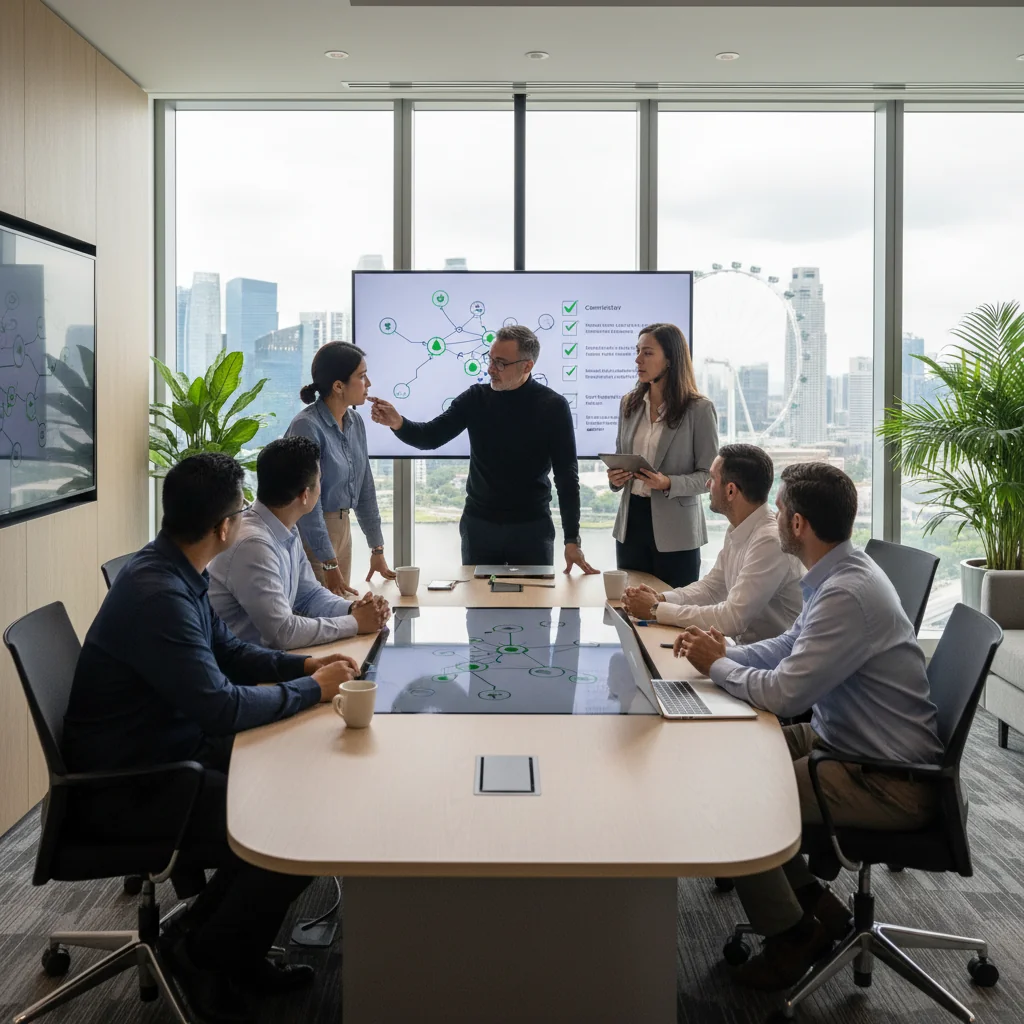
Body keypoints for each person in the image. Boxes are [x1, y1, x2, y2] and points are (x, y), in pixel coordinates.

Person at [63, 453, 359, 1024]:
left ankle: (217, 945)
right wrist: (315, 693)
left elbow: (230, 651)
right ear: (225, 528)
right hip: (134, 781)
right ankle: (203, 955)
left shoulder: (175, 568)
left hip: (168, 748)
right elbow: (220, 706)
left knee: (293, 795)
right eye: (241, 514)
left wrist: (301, 670)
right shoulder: (160, 593)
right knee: (290, 829)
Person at [677, 462, 942, 992]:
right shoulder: (838, 574)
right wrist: (723, 650)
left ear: (798, 524)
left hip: (886, 779)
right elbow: (785, 648)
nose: (774, 519)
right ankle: (815, 904)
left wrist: (717, 666)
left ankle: (793, 936)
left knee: (734, 802)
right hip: (841, 740)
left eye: (778, 511)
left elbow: (785, 692)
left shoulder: (845, 593)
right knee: (721, 762)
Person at [369, 324, 597, 575]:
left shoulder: (553, 406)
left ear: (527, 366)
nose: (490, 369)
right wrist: (397, 422)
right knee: (478, 610)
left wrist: (572, 539)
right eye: (490, 359)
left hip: (532, 528)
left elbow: (566, 476)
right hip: (479, 527)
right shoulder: (475, 398)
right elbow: (430, 437)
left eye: (500, 363)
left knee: (536, 610)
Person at [209, 436, 390, 649]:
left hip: (266, 663)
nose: (321, 489)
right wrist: (355, 622)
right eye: (319, 481)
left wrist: (355, 609)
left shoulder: (285, 527)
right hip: (242, 674)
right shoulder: (253, 544)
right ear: (305, 495)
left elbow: (309, 596)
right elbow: (282, 633)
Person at [621, 444, 803, 643]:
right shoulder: (739, 528)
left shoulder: (768, 541)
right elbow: (712, 588)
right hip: (746, 654)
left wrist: (656, 610)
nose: (707, 484)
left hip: (772, 664)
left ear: (731, 490)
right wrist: (662, 599)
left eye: (713, 478)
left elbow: (732, 619)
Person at [607, 323, 719, 588]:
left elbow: (709, 476)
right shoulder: (629, 404)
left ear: (670, 358)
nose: (637, 359)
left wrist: (667, 483)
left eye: (647, 353)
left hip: (677, 530)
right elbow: (620, 458)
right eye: (637, 351)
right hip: (631, 523)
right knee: (631, 607)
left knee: (673, 613)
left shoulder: (699, 410)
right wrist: (616, 477)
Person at [286, 341, 395, 597]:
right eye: (361, 376)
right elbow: (306, 504)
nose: (368, 383)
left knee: (339, 609)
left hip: (343, 529)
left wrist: (376, 549)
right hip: (312, 531)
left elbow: (364, 486)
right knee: (317, 614)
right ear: (338, 386)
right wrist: (328, 561)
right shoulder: (307, 426)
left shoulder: (355, 421)